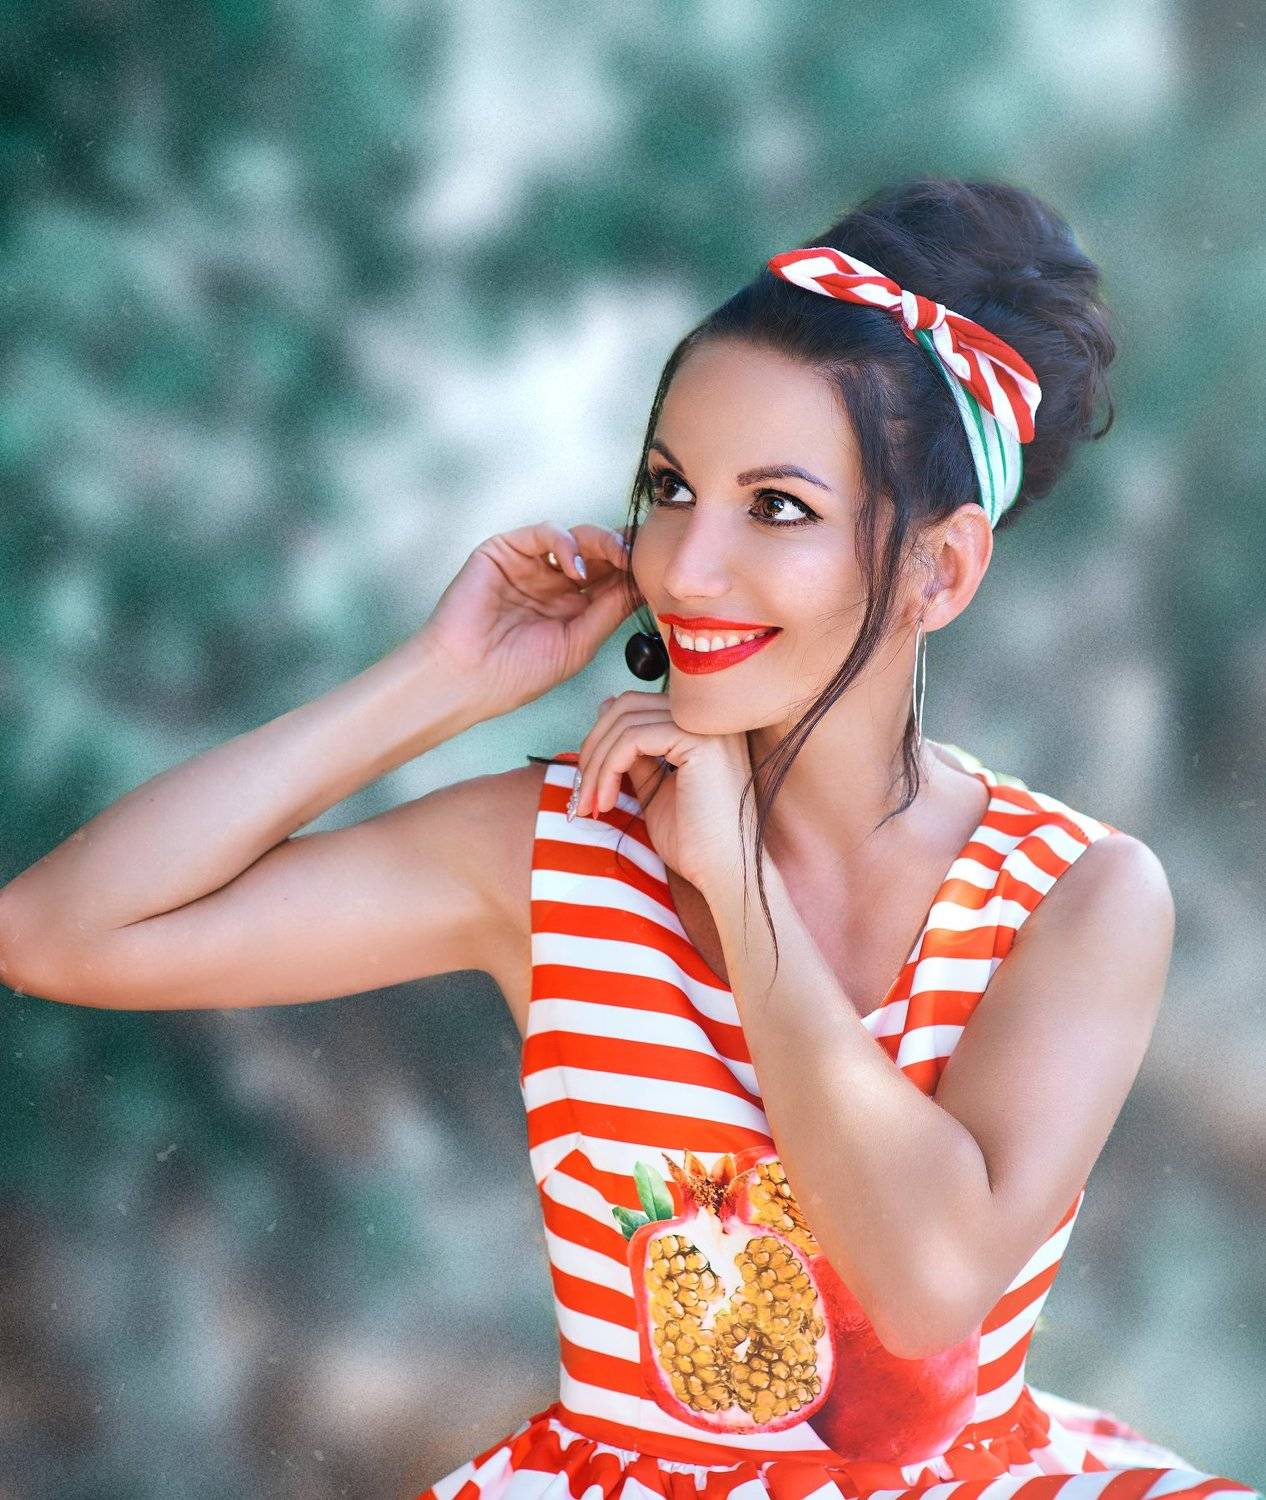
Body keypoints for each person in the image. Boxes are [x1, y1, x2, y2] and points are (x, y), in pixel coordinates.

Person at [0, 176, 1258, 1500]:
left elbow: (926, 1287)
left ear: (938, 571)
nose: (683, 568)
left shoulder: (1077, 896)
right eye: (669, 488)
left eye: (777, 507)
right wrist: (439, 682)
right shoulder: (559, 853)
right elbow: (56, 933)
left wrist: (737, 887)